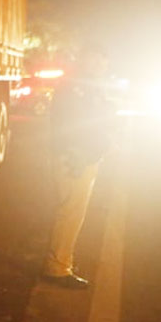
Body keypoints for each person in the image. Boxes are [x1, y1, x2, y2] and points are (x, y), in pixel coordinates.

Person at [43, 47, 115, 288]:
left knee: (73, 212)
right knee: (71, 212)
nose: (99, 66)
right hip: (75, 158)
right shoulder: (74, 88)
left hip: (84, 156)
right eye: (94, 61)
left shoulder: (89, 87)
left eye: (103, 62)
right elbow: (71, 124)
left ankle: (62, 263)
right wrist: (77, 153)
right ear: (84, 61)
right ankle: (58, 268)